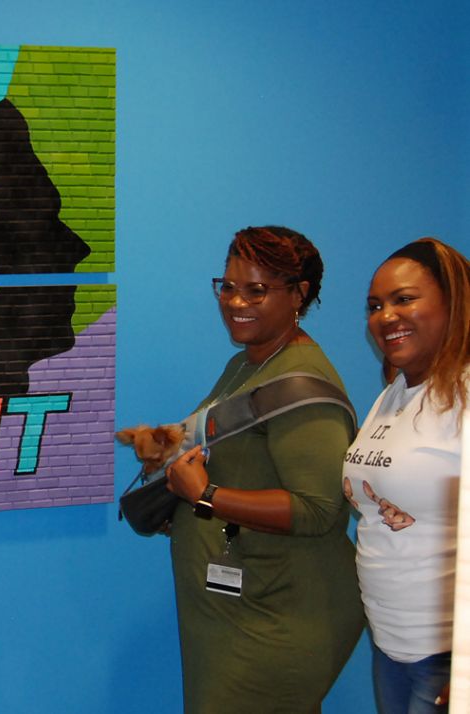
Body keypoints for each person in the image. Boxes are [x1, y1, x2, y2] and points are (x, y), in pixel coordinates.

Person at [165, 226, 364, 712]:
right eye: (228, 286)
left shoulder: (302, 383)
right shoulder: (247, 363)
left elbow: (318, 509)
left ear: (299, 294)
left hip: (278, 616)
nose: (235, 301)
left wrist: (206, 496)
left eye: (256, 289)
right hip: (234, 609)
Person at [342, 237, 470, 713]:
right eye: (375, 305)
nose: (385, 316)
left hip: (448, 655)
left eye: (404, 299)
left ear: (453, 303)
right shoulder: (395, 392)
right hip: (391, 646)